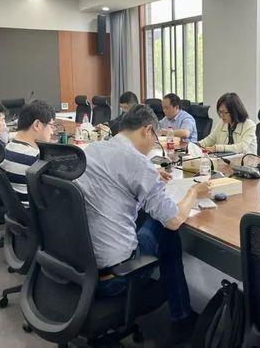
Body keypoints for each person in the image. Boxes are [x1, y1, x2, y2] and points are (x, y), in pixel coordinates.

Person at [77, 104, 209, 345]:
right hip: (114, 277)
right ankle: (182, 318)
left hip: (81, 268)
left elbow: (115, 179)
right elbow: (174, 220)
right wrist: (194, 193)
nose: (153, 147)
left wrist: (149, 174)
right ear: (147, 130)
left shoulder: (92, 150)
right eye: (155, 140)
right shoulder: (137, 162)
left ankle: (181, 314)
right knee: (166, 228)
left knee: (148, 218)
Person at [0, 100, 56, 198]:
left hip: (17, 204)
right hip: (35, 206)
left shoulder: (6, 149)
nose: (52, 132)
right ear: (37, 125)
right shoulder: (37, 160)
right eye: (51, 126)